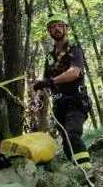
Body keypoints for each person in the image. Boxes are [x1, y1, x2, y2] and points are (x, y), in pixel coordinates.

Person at [34, 14, 92, 173]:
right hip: (59, 105)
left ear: (66, 28)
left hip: (76, 101)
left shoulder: (74, 49)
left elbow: (74, 72)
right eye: (53, 27)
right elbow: (46, 77)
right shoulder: (50, 56)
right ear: (49, 31)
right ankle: (79, 171)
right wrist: (38, 95)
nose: (57, 29)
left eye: (60, 25)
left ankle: (89, 174)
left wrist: (50, 82)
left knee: (73, 135)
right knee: (67, 142)